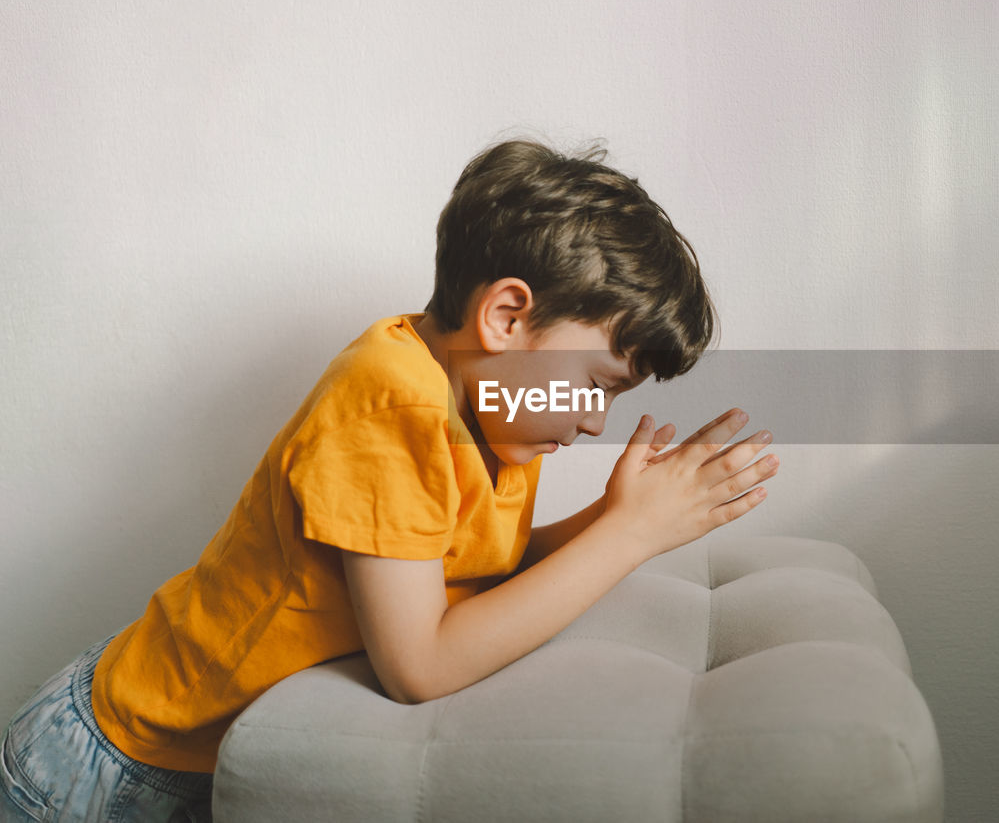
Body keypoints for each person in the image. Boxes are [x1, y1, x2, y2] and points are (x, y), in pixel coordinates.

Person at [0, 138, 779, 821]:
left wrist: (614, 516)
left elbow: (475, 570)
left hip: (203, 766)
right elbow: (419, 665)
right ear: (507, 318)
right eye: (596, 383)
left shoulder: (489, 414)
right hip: (115, 768)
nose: (593, 421)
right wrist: (628, 534)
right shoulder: (393, 397)